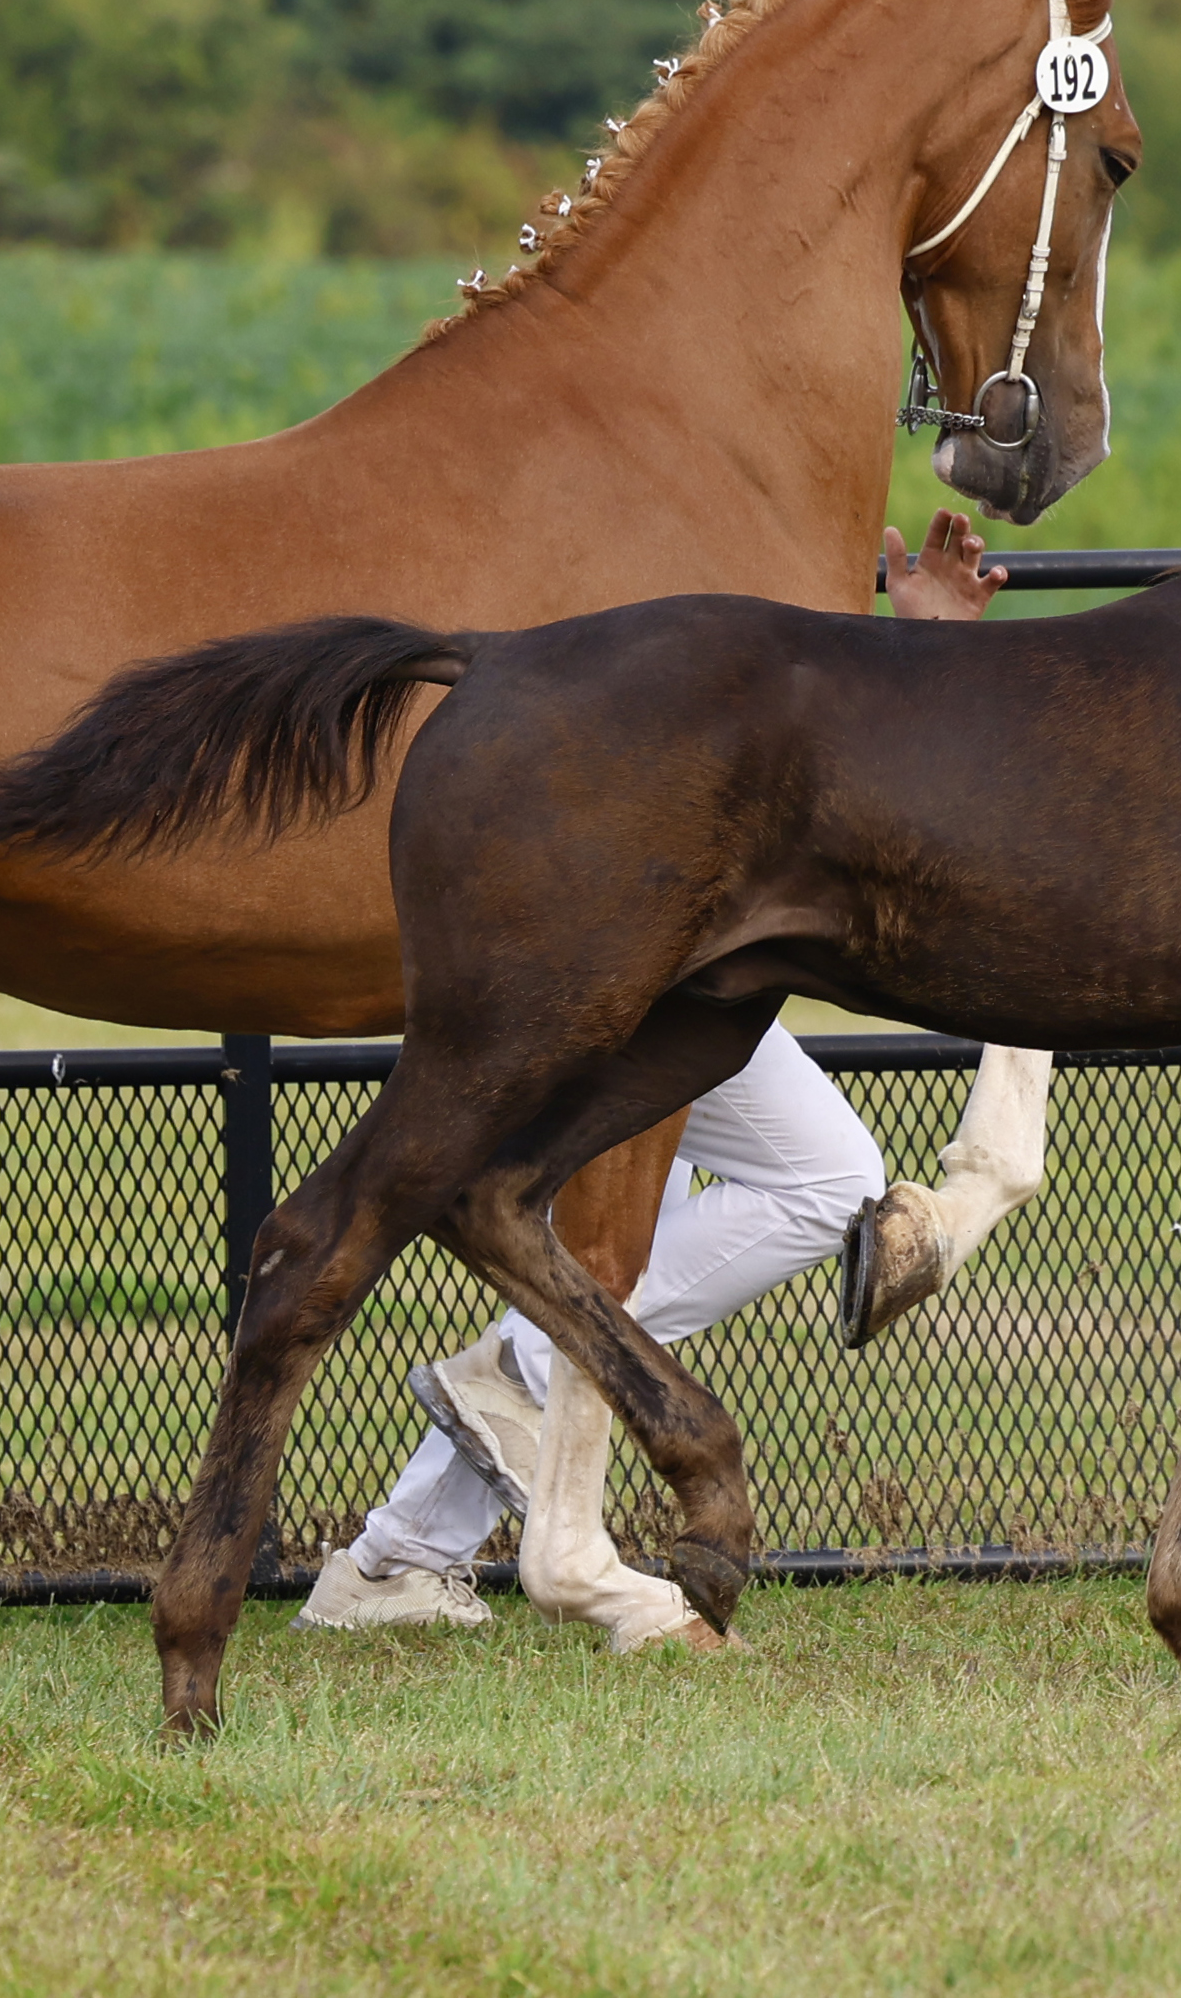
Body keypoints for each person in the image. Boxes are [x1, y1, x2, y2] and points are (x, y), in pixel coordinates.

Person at [296, 509, 1012, 1631]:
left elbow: (781, 700)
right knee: (809, 1180)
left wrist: (917, 640)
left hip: (690, 931)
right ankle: (505, 1395)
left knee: (759, 1188)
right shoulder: (679, 482)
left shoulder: (718, 482)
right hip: (642, 922)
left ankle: (398, 1551)